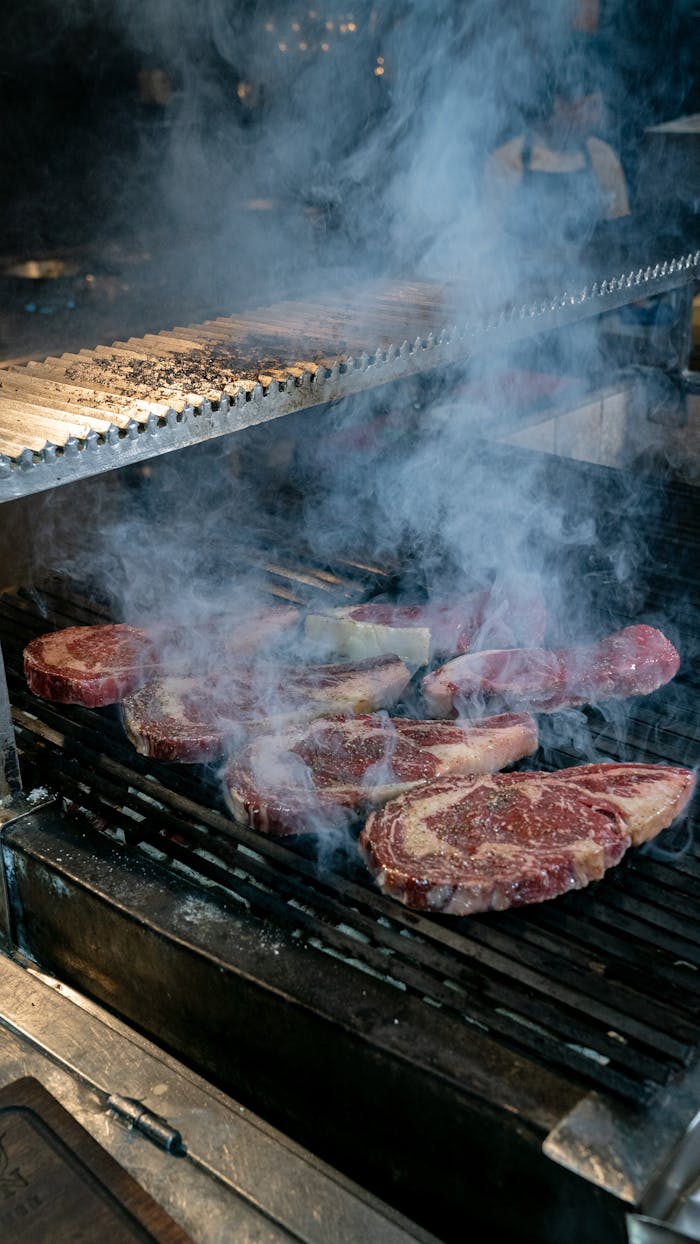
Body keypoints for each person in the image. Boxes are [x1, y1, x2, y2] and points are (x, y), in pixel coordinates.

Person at [483, 56, 630, 255]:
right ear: (559, 105)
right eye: (590, 106)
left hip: (592, 278)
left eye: (598, 107)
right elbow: (490, 241)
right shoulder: (506, 161)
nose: (596, 118)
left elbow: (619, 235)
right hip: (525, 278)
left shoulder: (602, 156)